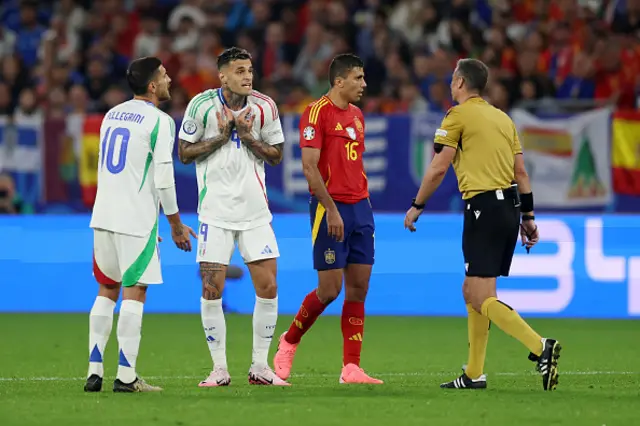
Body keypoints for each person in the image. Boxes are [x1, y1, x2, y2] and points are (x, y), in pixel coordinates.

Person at [404, 58, 561, 391]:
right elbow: (521, 173)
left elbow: (438, 168)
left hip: (483, 208)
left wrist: (418, 205)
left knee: (478, 294)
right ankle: (474, 373)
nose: (450, 84)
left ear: (460, 82)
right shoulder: (503, 118)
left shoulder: (457, 116)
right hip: (509, 209)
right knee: (474, 292)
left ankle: (540, 346)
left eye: (452, 79)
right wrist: (529, 218)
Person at [177, 47, 288, 387]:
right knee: (212, 290)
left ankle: (260, 366)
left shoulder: (265, 106)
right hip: (215, 212)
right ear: (222, 75)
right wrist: (223, 135)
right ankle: (219, 369)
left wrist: (247, 136)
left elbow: (277, 155)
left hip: (256, 213)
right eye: (239, 70)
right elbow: (184, 152)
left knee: (268, 287)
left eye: (250, 69)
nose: (247, 76)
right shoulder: (200, 105)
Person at [86, 57, 196, 393]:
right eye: (163, 75)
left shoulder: (111, 114)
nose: (169, 79)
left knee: (107, 289)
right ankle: (126, 376)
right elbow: (163, 178)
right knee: (136, 291)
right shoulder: (160, 121)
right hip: (135, 219)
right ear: (151, 86)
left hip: (102, 215)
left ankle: (93, 370)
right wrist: (175, 224)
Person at [273, 54, 383, 385]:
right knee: (330, 289)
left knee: (359, 287)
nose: (364, 84)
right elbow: (309, 167)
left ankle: (351, 367)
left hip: (361, 208)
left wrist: (360, 204)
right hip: (329, 209)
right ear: (339, 81)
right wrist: (332, 209)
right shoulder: (316, 112)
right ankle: (289, 340)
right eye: (358, 78)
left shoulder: (358, 116)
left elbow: (353, 165)